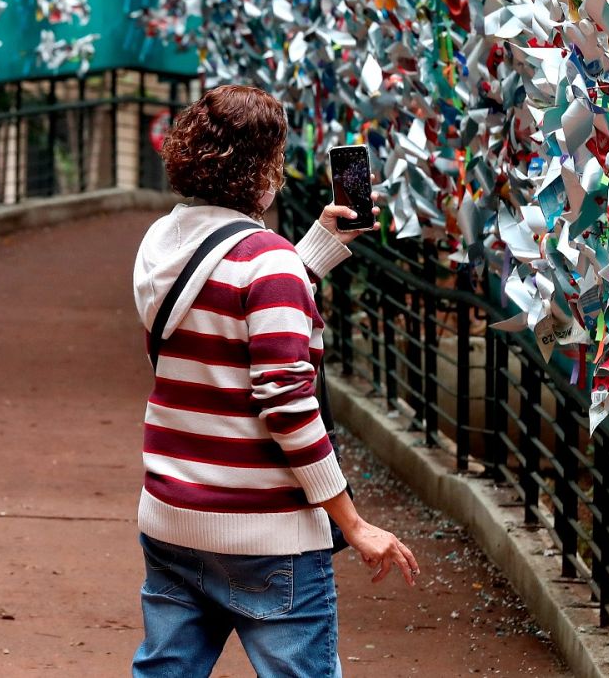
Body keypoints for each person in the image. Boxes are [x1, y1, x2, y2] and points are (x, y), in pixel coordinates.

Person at [130, 85, 418, 678]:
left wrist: (311, 250)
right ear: (260, 168)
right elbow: (286, 403)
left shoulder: (160, 245)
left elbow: (226, 312)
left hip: (171, 512)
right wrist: (353, 524)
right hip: (268, 533)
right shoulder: (270, 264)